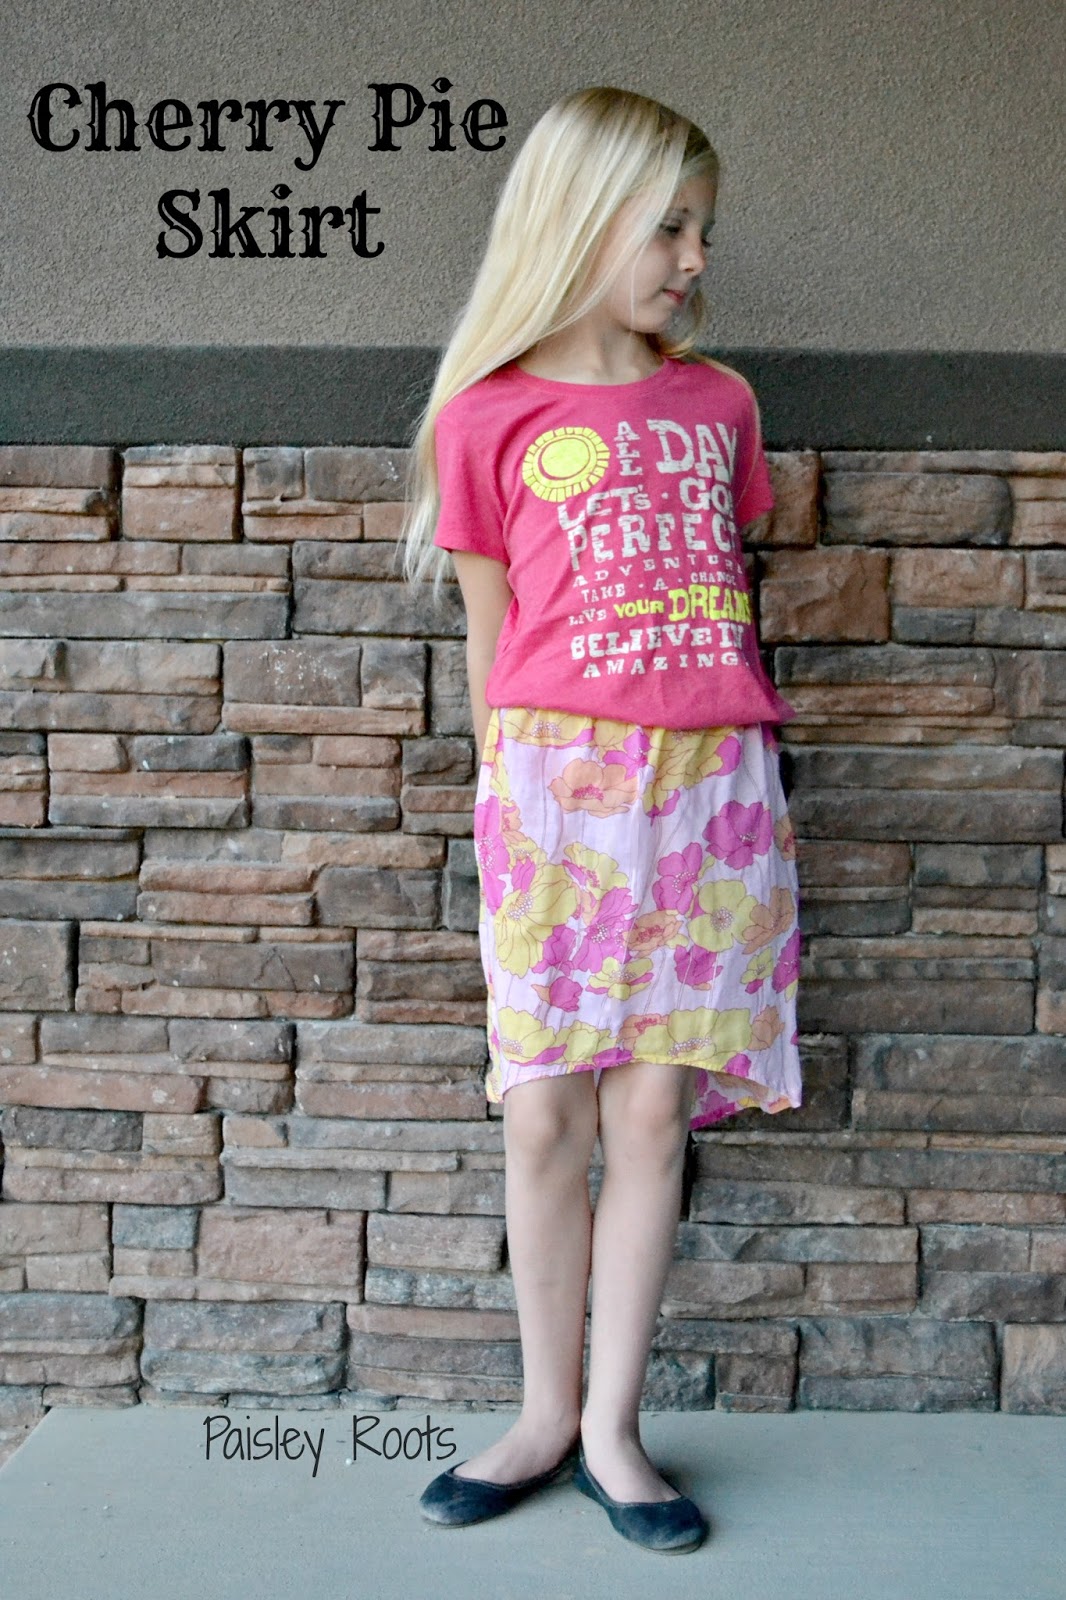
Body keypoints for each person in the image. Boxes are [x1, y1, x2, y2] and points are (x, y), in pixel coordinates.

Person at [399, 84, 803, 1555]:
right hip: (553, 795)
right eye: (670, 227)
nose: (696, 258)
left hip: (707, 792)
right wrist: (501, 808)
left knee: (651, 1110)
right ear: (579, 222)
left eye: (704, 230)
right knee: (544, 1110)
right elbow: (493, 643)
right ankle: (541, 1413)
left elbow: (715, 590)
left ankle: (615, 1431)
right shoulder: (486, 418)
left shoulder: (719, 405)